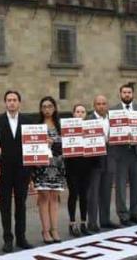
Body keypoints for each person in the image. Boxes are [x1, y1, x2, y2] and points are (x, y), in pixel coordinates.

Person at [0, 90, 33, 252]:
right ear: (5, 103)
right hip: (4, 171)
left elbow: (33, 147)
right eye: (9, 100)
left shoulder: (28, 121)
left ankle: (21, 237)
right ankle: (7, 239)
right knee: (5, 206)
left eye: (14, 100)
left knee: (21, 205)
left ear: (19, 102)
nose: (12, 102)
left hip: (23, 171)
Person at [109, 84, 137, 226]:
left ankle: (134, 213)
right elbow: (110, 130)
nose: (126, 94)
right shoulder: (112, 111)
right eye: (124, 92)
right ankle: (123, 214)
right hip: (120, 152)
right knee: (120, 185)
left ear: (133, 94)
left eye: (129, 92)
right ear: (120, 94)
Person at [31, 97, 65, 244]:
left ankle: (54, 229)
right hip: (42, 166)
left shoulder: (60, 125)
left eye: (50, 106)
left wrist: (54, 142)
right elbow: (30, 146)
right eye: (44, 107)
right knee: (44, 197)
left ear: (54, 108)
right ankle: (45, 230)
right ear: (40, 109)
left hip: (57, 164)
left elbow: (67, 145)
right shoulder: (36, 126)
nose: (47, 109)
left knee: (54, 197)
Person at [85, 94, 115, 232]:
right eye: (98, 104)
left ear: (107, 105)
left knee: (106, 191)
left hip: (110, 158)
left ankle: (105, 219)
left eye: (103, 103)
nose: (101, 106)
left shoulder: (114, 119)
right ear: (94, 105)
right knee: (93, 192)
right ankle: (92, 222)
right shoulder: (88, 120)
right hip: (94, 160)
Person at [64, 104, 94, 237]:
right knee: (73, 195)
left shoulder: (91, 128)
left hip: (87, 166)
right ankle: (72, 223)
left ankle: (83, 223)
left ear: (86, 114)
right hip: (72, 167)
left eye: (83, 112)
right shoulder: (67, 129)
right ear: (73, 114)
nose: (80, 114)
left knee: (84, 196)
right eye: (78, 111)